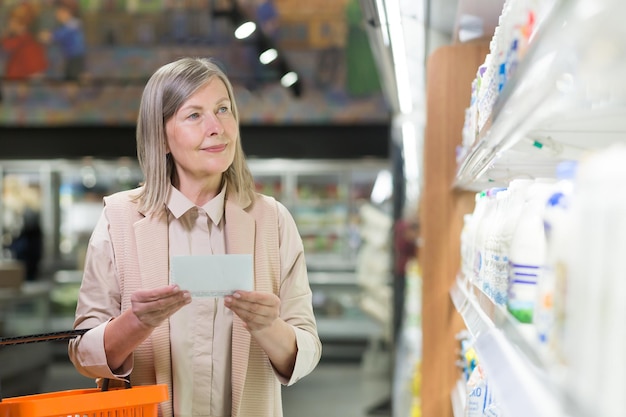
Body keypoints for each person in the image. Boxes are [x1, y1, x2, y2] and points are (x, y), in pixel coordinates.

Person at [68, 57, 322, 417]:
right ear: (162, 136)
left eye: (223, 109)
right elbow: (83, 353)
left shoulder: (272, 221)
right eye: (194, 115)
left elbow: (307, 350)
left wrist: (269, 327)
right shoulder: (118, 219)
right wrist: (136, 322)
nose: (217, 127)